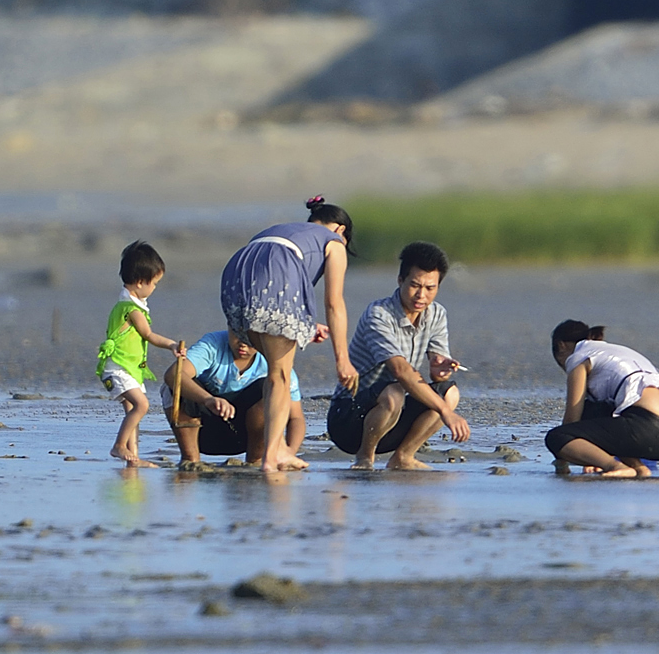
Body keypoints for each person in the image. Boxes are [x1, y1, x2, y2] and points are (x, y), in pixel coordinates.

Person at [221, 196, 358, 473]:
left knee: (275, 368)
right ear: (340, 230)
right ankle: (272, 457)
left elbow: (271, 288)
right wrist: (342, 360)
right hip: (276, 273)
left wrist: (305, 327)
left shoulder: (286, 230)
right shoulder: (333, 242)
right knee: (280, 375)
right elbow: (334, 302)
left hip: (237, 277)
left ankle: (278, 448)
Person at [327, 241, 470, 470]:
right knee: (395, 390)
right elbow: (400, 371)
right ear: (400, 280)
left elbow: (438, 373)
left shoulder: (437, 314)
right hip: (348, 419)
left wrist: (439, 370)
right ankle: (364, 458)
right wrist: (446, 414)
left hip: (394, 416)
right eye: (415, 285)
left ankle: (403, 457)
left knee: (450, 394)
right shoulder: (379, 314)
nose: (421, 295)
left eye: (430, 288)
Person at [544, 321, 659, 478]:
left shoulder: (578, 357)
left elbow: (571, 420)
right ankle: (639, 468)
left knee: (557, 437)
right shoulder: (615, 350)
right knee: (596, 409)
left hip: (644, 427)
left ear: (561, 346)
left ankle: (614, 466)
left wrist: (563, 459)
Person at [96, 241, 183, 467]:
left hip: (130, 369)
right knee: (142, 406)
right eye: (154, 283)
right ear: (140, 282)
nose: (155, 287)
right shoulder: (132, 309)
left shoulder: (129, 303)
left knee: (132, 410)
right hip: (118, 369)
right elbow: (149, 335)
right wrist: (172, 345)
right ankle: (118, 446)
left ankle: (132, 457)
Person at [161, 330, 306, 467]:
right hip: (202, 430)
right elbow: (173, 375)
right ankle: (190, 460)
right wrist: (208, 399)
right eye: (237, 334)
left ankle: (255, 461)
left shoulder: (275, 362)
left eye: (249, 337)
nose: (243, 343)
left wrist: (289, 453)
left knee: (269, 388)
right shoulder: (213, 344)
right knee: (175, 386)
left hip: (245, 436)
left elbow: (296, 418)